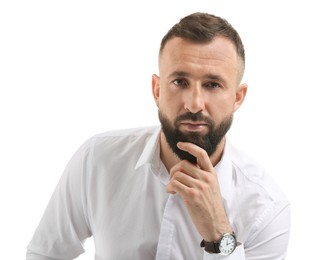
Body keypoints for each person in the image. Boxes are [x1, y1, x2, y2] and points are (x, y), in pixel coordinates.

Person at [26, 12, 290, 260]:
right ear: (157, 90)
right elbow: (46, 253)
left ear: (237, 97)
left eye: (212, 85)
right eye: (180, 82)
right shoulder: (96, 159)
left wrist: (219, 234)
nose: (194, 103)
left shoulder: (266, 208)